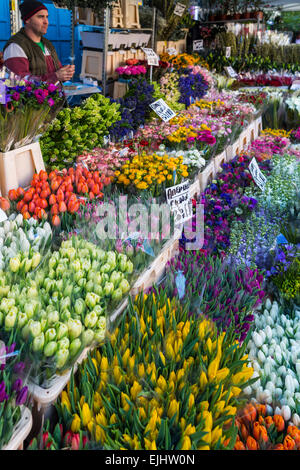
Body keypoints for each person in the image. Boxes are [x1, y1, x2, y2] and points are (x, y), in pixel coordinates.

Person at [3, 0, 75, 83]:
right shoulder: (16, 46)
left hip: (54, 95)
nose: (46, 22)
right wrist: (56, 76)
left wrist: (65, 73)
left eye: (47, 17)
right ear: (27, 20)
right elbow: (19, 81)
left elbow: (57, 72)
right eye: (40, 17)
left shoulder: (47, 44)